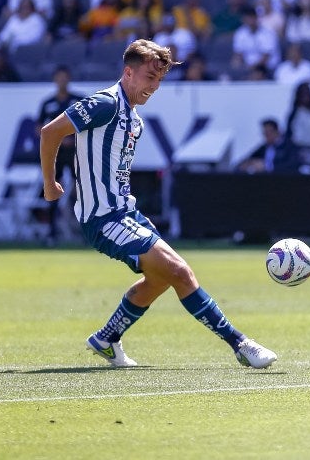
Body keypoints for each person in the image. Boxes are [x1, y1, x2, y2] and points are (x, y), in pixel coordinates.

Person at [39, 39, 277, 369]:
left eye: (160, 80)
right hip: (104, 219)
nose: (155, 86)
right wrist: (50, 184)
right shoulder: (105, 103)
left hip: (125, 213)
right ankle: (241, 344)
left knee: (161, 278)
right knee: (179, 271)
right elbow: (50, 133)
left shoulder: (133, 118)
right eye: (150, 77)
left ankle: (107, 338)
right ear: (128, 72)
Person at [36, 66, 83, 245]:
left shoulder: (78, 101)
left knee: (82, 190)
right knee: (52, 189)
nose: (62, 81)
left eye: (65, 77)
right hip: (56, 153)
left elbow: (88, 125)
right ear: (55, 80)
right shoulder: (48, 103)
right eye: (59, 77)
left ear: (69, 79)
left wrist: (74, 139)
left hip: (76, 152)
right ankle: (52, 232)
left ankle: (85, 230)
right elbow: (39, 128)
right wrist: (59, 139)